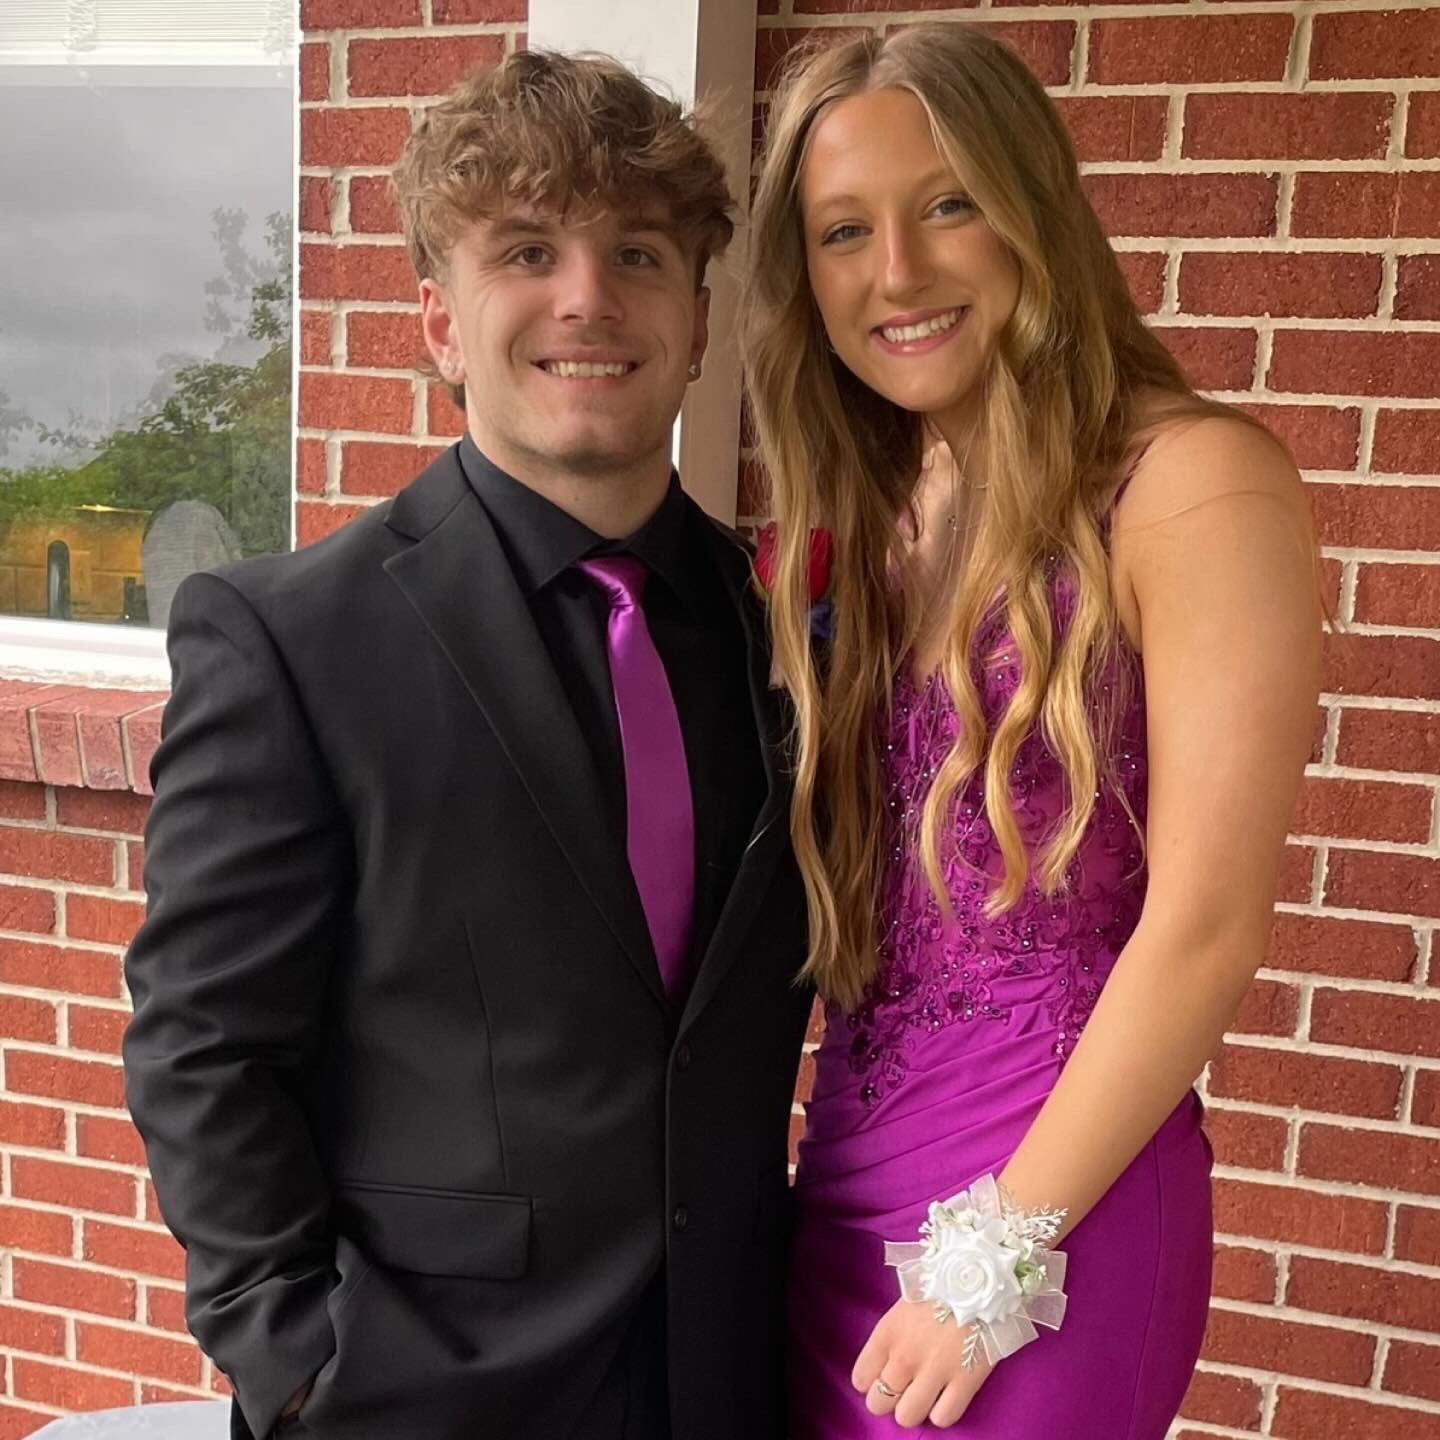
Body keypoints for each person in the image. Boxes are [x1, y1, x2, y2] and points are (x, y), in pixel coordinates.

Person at [124, 51, 811, 1440]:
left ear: (695, 319)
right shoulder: (289, 641)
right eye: (527, 250)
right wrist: (299, 1353)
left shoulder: (790, 634)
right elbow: (204, 1047)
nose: (586, 296)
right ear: (440, 321)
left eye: (636, 251)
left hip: (733, 1377)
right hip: (415, 1393)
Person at [741, 23, 1321, 1439]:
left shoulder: (1191, 483)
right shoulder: (871, 523)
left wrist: (993, 1254)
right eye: (842, 231)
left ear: (1032, 207)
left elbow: (1207, 925)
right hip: (847, 1179)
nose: (898, 273)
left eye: (948, 203)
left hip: (1054, 1208)